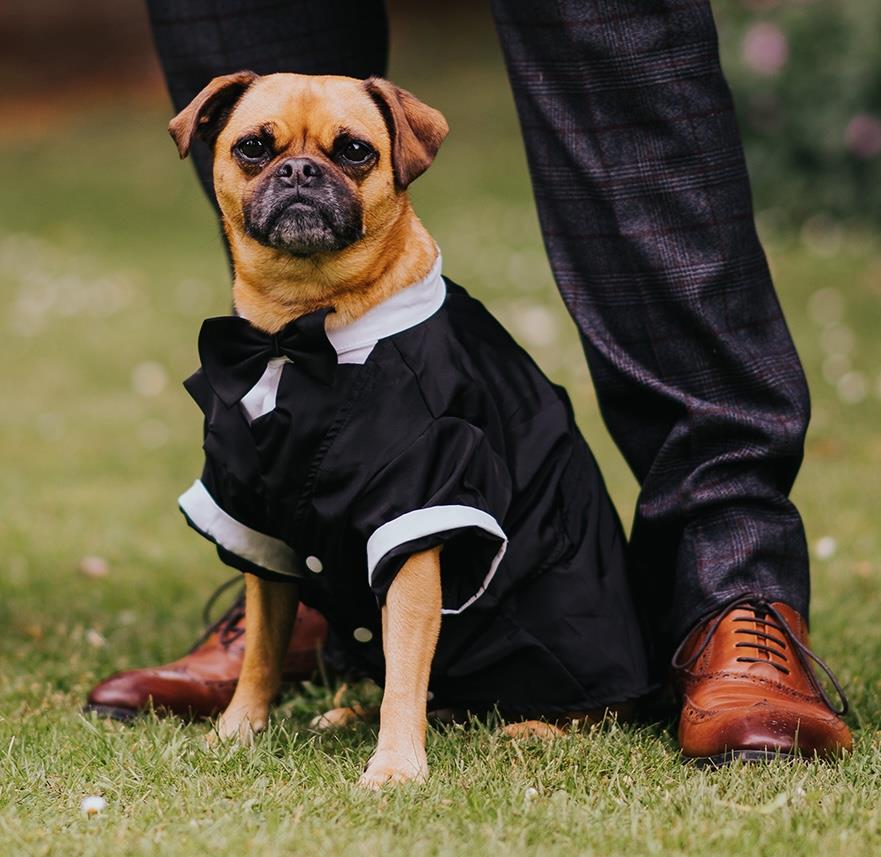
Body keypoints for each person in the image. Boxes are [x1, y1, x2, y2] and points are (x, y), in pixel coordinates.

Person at [87, 0, 851, 762]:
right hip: (286, 341)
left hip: (547, 618)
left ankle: (731, 588)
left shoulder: (426, 367)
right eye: (257, 150)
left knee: (620, 57)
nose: (295, 174)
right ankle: (326, 611)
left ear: (400, 162)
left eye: (348, 153)